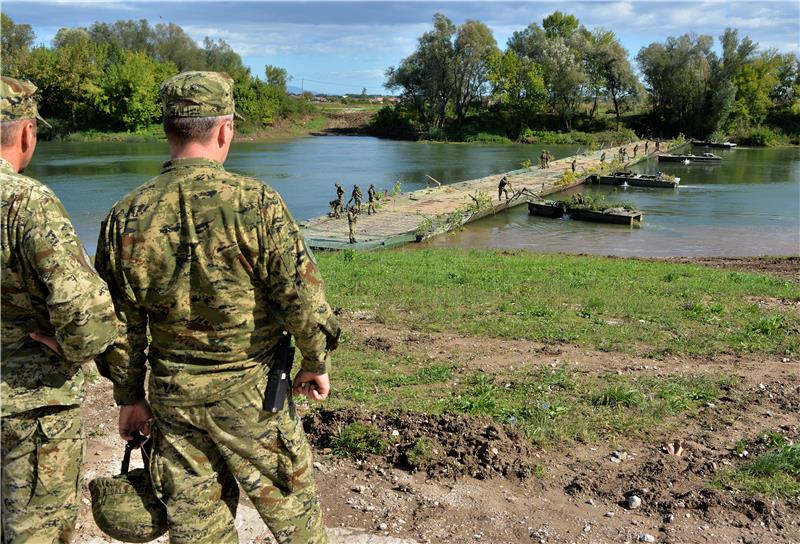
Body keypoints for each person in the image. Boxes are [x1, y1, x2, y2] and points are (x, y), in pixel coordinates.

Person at [94, 71, 340, 544]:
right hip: (254, 398)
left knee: (197, 532)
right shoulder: (257, 204)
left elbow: (119, 326)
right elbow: (302, 300)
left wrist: (129, 396)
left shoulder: (127, 214)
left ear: (168, 131)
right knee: (297, 525)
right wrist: (315, 361)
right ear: (225, 129)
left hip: (174, 398)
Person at [1, 76, 118, 543]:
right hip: (29, 404)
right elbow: (84, 310)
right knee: (35, 532)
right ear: (27, 132)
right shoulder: (28, 202)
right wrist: (73, 346)